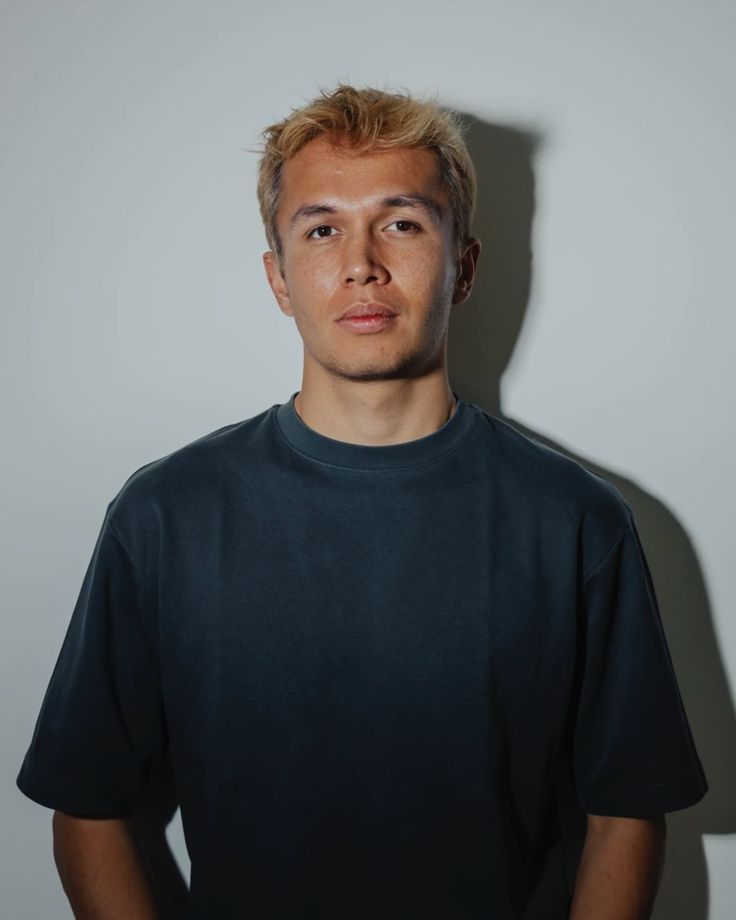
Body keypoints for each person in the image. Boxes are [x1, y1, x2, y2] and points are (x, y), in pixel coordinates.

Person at [17, 84, 708, 919]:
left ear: (465, 265)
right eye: (322, 228)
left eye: (403, 222)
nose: (361, 263)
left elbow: (627, 809)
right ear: (278, 277)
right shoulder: (165, 516)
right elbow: (87, 806)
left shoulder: (573, 521)